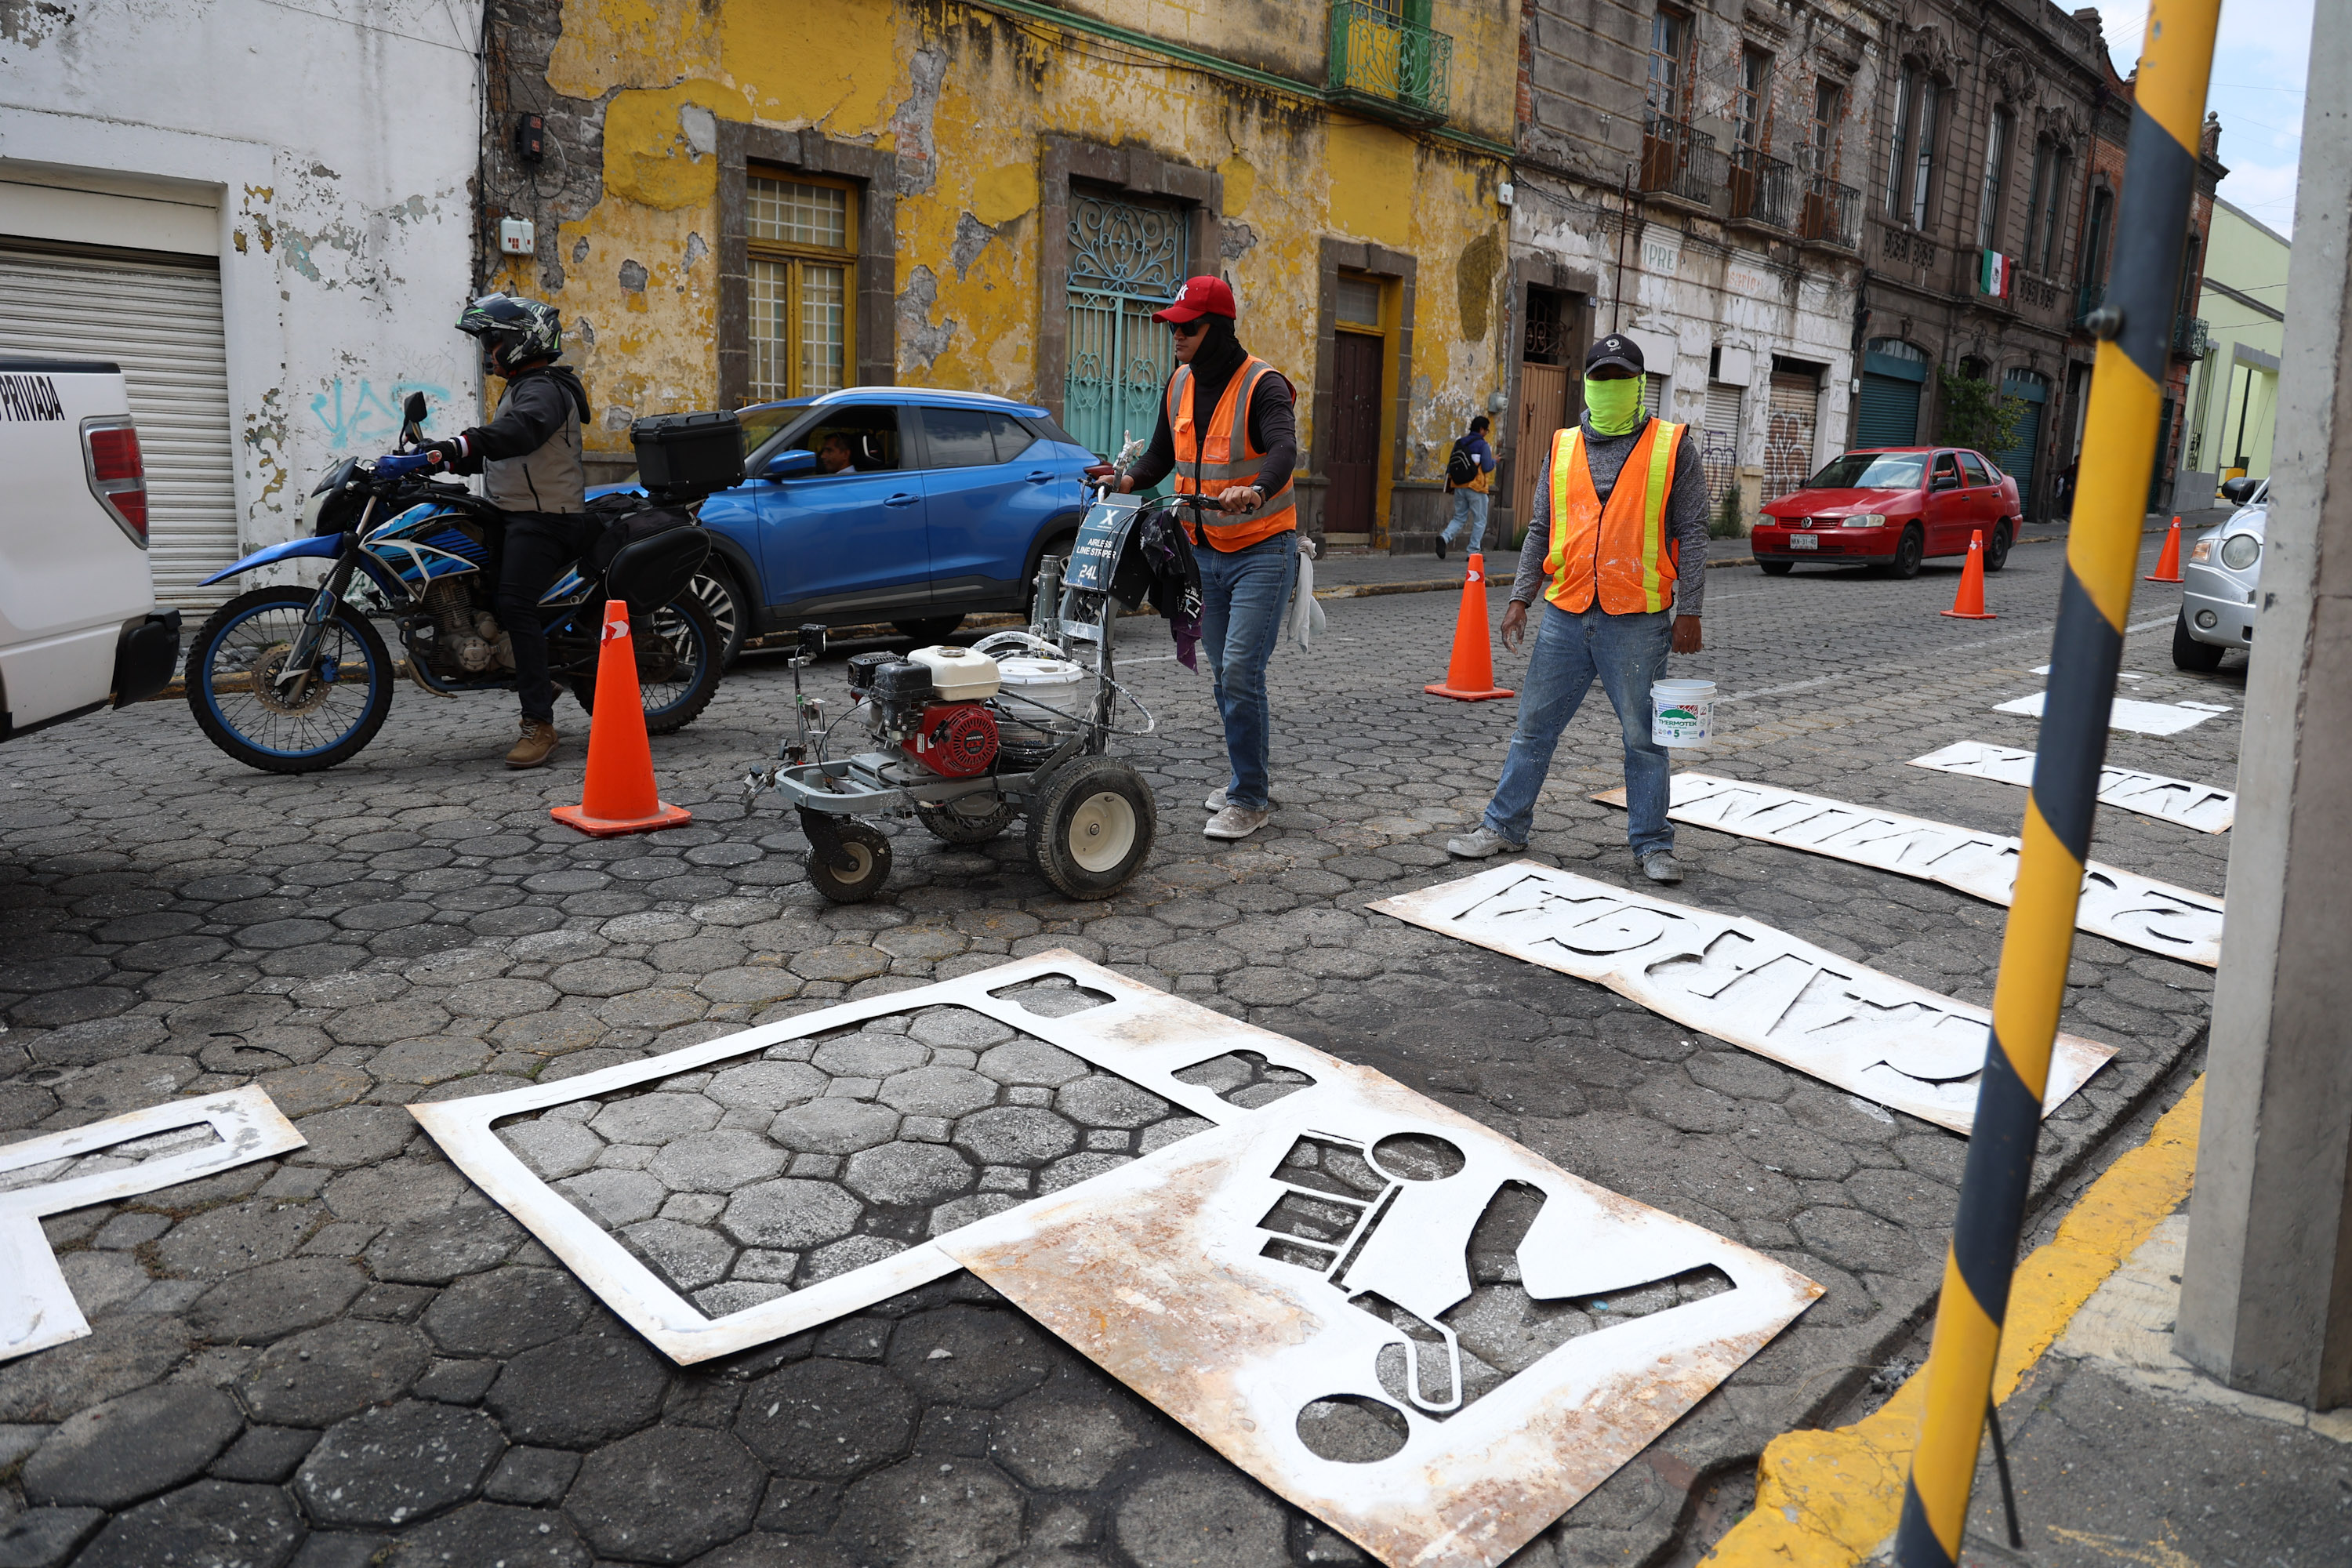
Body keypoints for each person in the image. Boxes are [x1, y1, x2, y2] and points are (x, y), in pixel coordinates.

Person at [1446, 334, 1708, 883]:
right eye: (1602, 378)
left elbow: (1694, 530)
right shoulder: (1562, 446)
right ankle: (1503, 826)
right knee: (1533, 728)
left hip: (1637, 621)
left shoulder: (1672, 446)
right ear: (1587, 385)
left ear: (1640, 384)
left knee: (1644, 739)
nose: (1611, 387)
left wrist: (1690, 609)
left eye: (1622, 379)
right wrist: (1520, 598)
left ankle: (1653, 844)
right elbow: (1540, 527)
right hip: (1565, 615)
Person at [1098, 275, 1298, 840]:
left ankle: (1250, 798)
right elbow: (1162, 454)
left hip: (1263, 548)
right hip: (1202, 553)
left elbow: (1284, 448)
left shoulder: (1263, 384)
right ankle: (1248, 777)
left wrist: (1256, 488)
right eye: (1174, 327)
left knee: (1239, 670)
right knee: (1225, 674)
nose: (1177, 336)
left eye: (1188, 327)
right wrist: (1126, 480)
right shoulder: (1180, 382)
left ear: (1219, 329)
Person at [419, 293, 593, 770]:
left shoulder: (543, 389)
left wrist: (457, 444)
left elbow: (520, 432)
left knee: (516, 604)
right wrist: (440, 456)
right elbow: (503, 453)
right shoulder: (523, 387)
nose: (487, 352)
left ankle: (539, 723)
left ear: (522, 341)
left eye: (492, 341)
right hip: (515, 512)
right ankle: (532, 670)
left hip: (547, 518)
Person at [1437, 414, 1497, 560]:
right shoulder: (1483, 445)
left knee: (1459, 517)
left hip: (1459, 486)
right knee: (1480, 521)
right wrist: (1495, 461)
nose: (1486, 433)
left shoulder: (1459, 443)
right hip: (1476, 487)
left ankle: (1444, 538)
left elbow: (1451, 465)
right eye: (1486, 430)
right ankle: (1473, 552)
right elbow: (1487, 467)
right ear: (1481, 429)